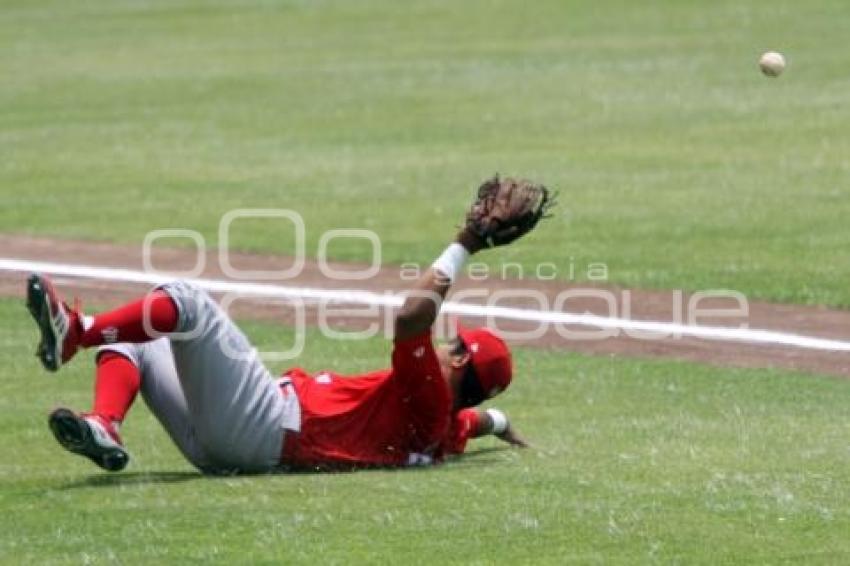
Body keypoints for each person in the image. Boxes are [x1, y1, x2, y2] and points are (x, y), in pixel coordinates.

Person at [26, 177, 551, 473]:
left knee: (186, 303)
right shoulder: (448, 427)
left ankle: (76, 332)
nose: (442, 343)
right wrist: (503, 427)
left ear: (459, 360)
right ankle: (104, 425)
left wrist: (466, 243)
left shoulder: (432, 396)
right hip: (230, 447)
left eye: (453, 343)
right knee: (139, 338)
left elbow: (411, 317)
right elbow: (480, 422)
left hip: (264, 423)